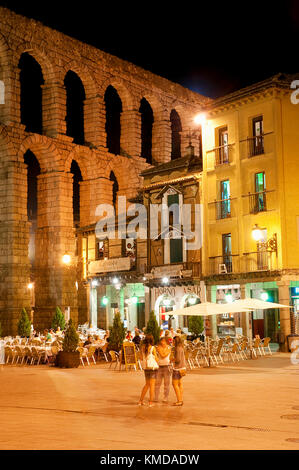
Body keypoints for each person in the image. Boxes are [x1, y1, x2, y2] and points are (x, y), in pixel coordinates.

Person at [138, 334, 159, 407]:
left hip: (146, 368)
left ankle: (140, 401)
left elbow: (140, 358)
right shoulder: (152, 348)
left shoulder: (142, 347)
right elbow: (156, 358)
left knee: (147, 384)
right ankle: (150, 402)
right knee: (152, 385)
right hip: (152, 368)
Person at [154, 337, 172, 403]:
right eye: (161, 341)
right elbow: (162, 355)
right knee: (157, 383)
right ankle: (156, 397)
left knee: (166, 384)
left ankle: (165, 397)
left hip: (167, 366)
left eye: (164, 341)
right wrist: (165, 351)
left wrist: (164, 351)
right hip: (159, 366)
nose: (163, 342)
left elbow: (164, 354)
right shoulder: (158, 347)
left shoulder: (169, 347)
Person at [171, 335, 186, 406]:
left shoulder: (177, 348)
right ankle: (181, 399)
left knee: (174, 384)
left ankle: (179, 400)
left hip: (177, 368)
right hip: (182, 368)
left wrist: (172, 360)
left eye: (173, 341)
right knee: (180, 384)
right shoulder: (181, 347)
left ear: (175, 341)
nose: (172, 342)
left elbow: (178, 359)